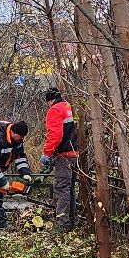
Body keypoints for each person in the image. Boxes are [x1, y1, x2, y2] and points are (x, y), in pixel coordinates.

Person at [40, 87, 81, 230]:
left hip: (64, 155)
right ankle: (72, 220)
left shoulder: (55, 110)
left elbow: (55, 135)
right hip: (75, 153)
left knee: (61, 188)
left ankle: (63, 224)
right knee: (70, 189)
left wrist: (47, 153)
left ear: (49, 100)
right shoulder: (69, 106)